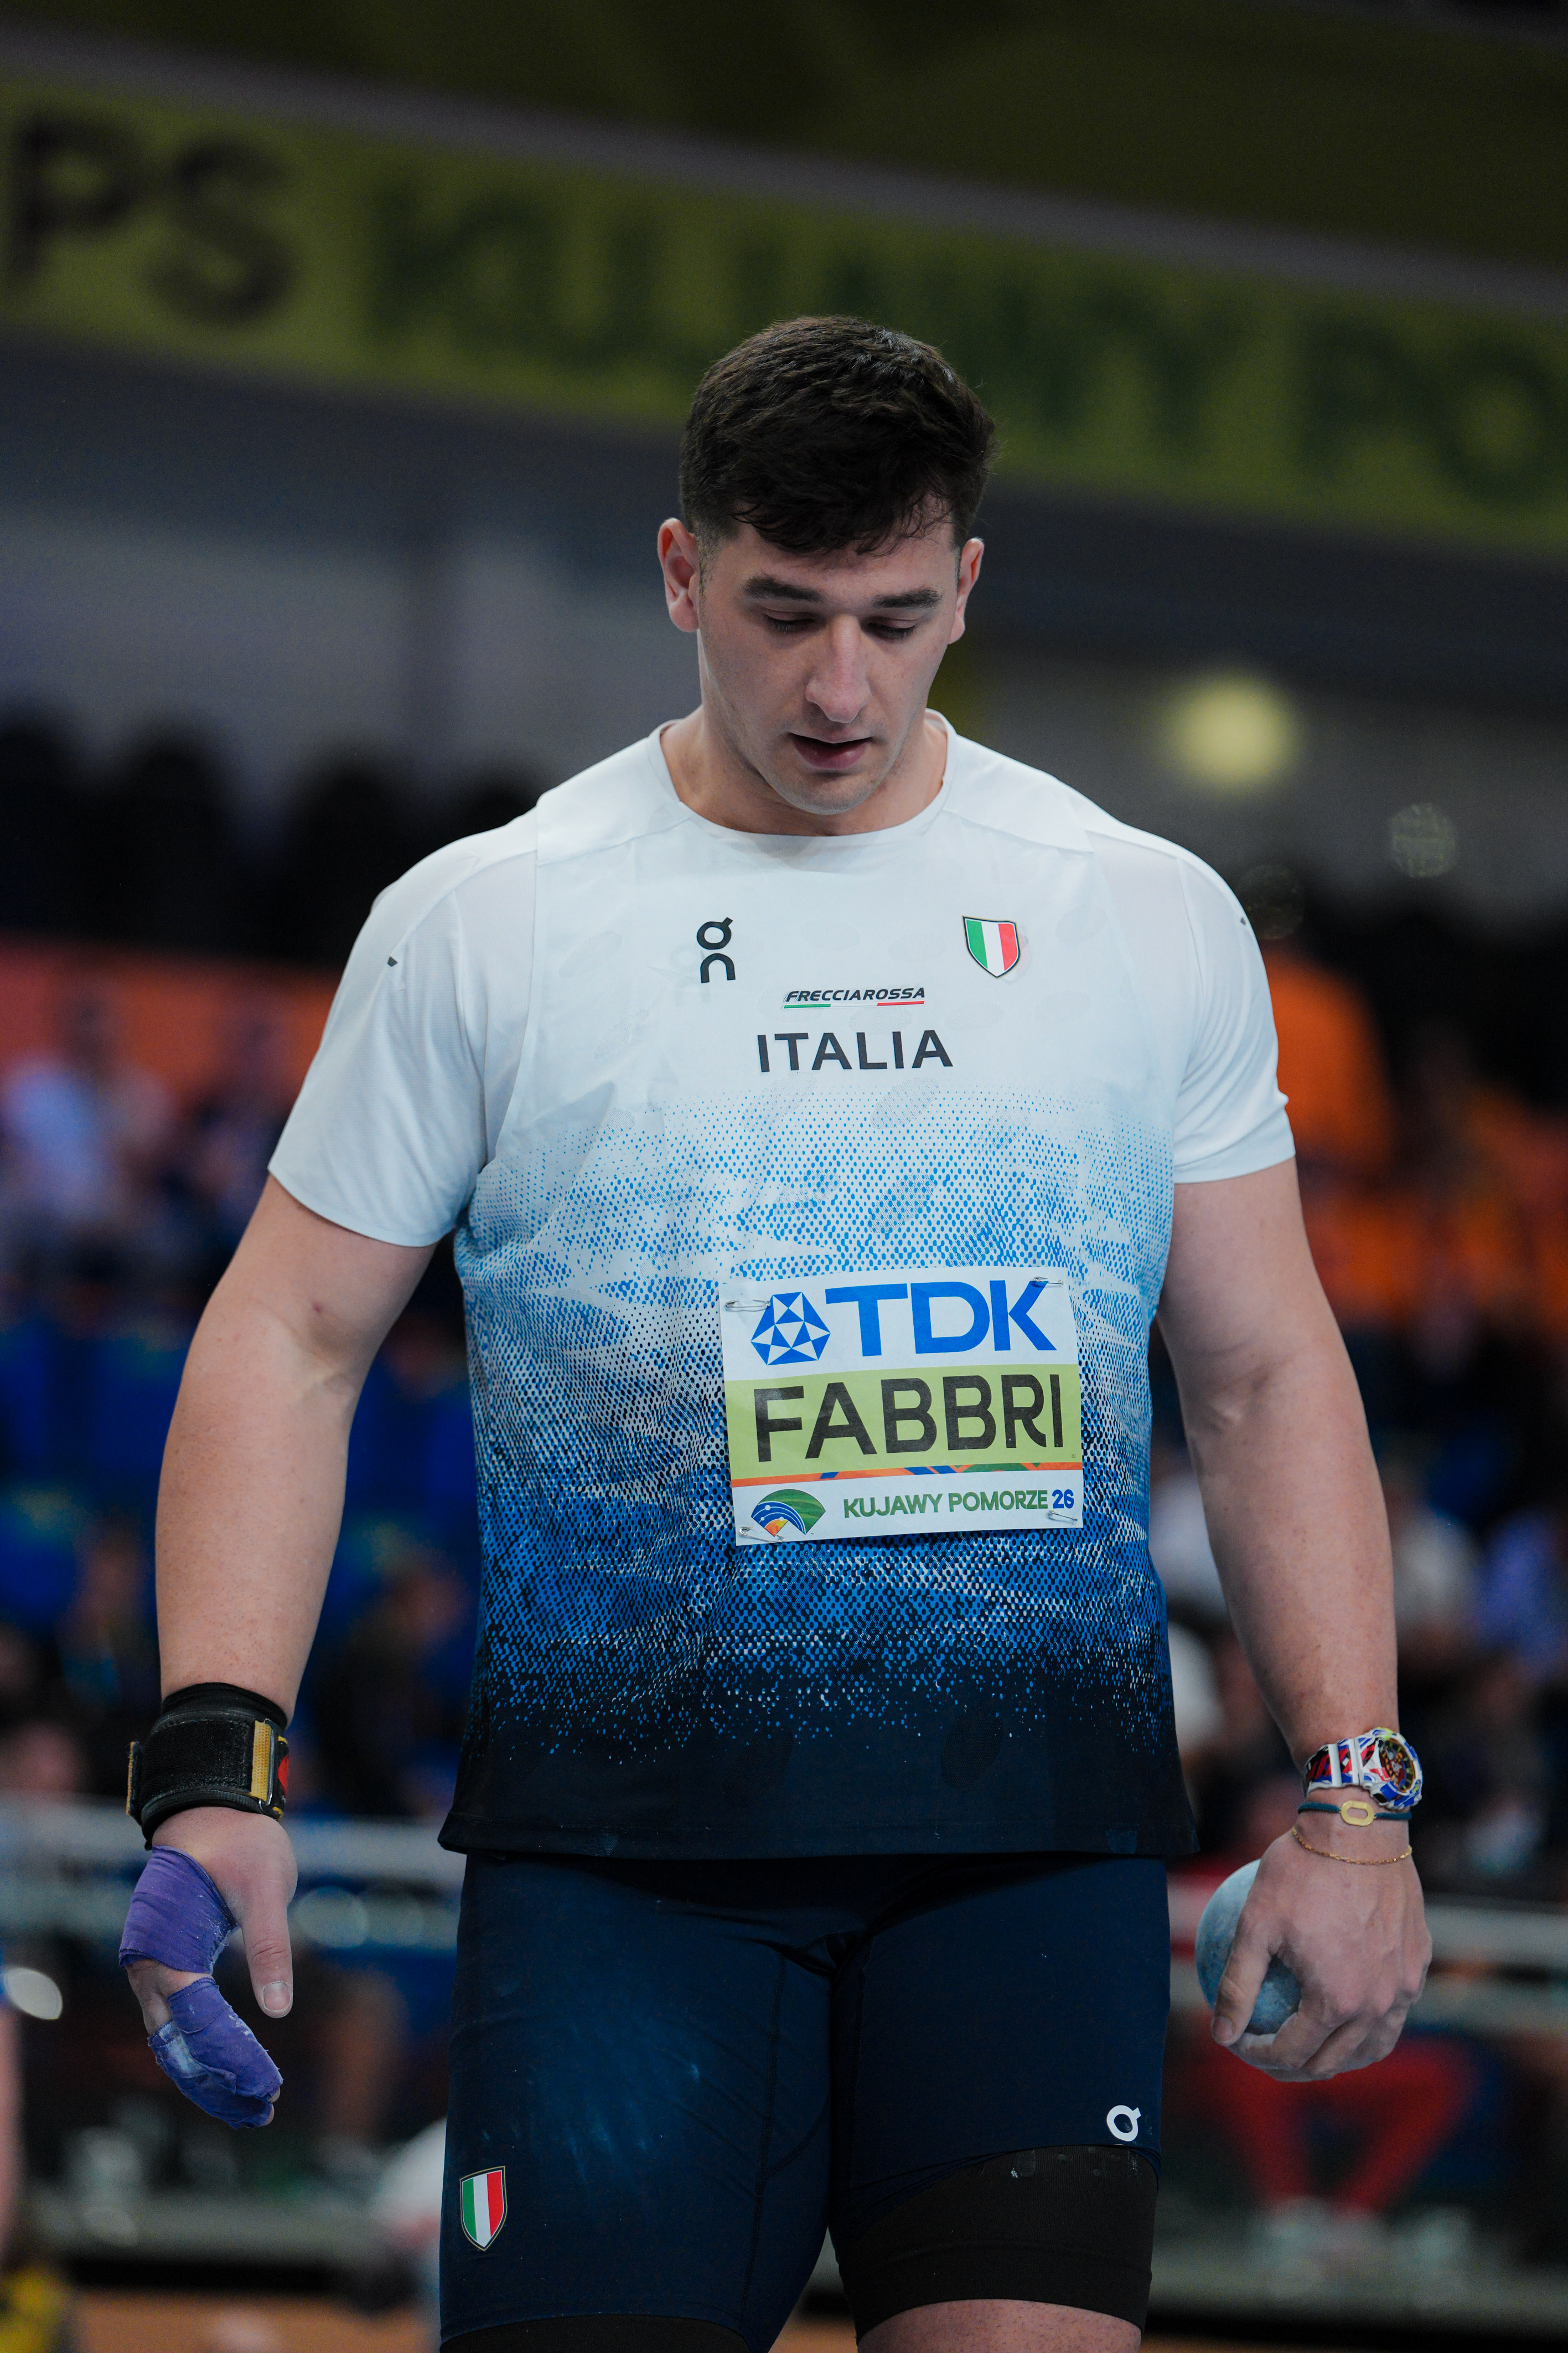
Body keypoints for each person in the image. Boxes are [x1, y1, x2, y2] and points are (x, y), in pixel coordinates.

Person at [117, 319, 1429, 2353]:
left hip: (1027, 1855)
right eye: (784, 612)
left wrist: (1355, 1801)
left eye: (895, 621)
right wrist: (219, 1766)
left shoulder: (1138, 912)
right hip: (625, 1875)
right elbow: (286, 1333)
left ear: (966, 585)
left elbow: (1262, 1371)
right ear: (679, 572)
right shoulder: (491, 917)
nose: (840, 687)